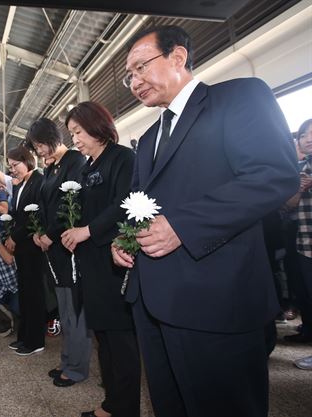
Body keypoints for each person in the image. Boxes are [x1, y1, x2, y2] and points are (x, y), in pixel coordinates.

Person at [111, 25, 299, 417]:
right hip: (152, 303)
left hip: (216, 300)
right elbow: (139, 204)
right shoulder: (147, 139)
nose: (134, 81)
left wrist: (182, 225)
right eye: (129, 75)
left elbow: (273, 174)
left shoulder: (239, 97)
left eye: (140, 67)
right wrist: (123, 240)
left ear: (177, 57)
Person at [60, 102, 140, 417]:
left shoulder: (122, 158)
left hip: (113, 260)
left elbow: (124, 203)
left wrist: (87, 231)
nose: (74, 140)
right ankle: (112, 403)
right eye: (71, 134)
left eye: (78, 132)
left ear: (96, 125)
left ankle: (125, 409)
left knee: (121, 340)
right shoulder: (86, 167)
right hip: (91, 263)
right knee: (103, 336)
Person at [27, 118, 91, 386]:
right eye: (36, 147)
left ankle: (77, 368)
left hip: (68, 246)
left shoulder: (75, 161)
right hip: (54, 248)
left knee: (75, 310)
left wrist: (50, 235)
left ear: (54, 138)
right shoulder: (53, 168)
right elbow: (44, 205)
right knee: (64, 309)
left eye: (41, 144)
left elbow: (71, 205)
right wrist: (38, 232)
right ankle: (67, 360)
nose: (40, 151)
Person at [4, 146, 47, 356]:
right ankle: (24, 336)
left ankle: (36, 340)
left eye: (15, 165)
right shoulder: (20, 185)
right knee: (25, 293)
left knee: (35, 294)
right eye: (10, 166)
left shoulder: (38, 181)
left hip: (32, 245)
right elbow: (18, 214)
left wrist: (14, 236)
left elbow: (34, 216)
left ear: (27, 160)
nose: (13, 170)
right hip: (22, 247)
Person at [285, 119, 312, 344]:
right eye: (304, 135)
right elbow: (289, 205)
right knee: (305, 290)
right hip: (304, 241)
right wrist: (300, 188)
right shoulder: (297, 169)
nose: (308, 139)